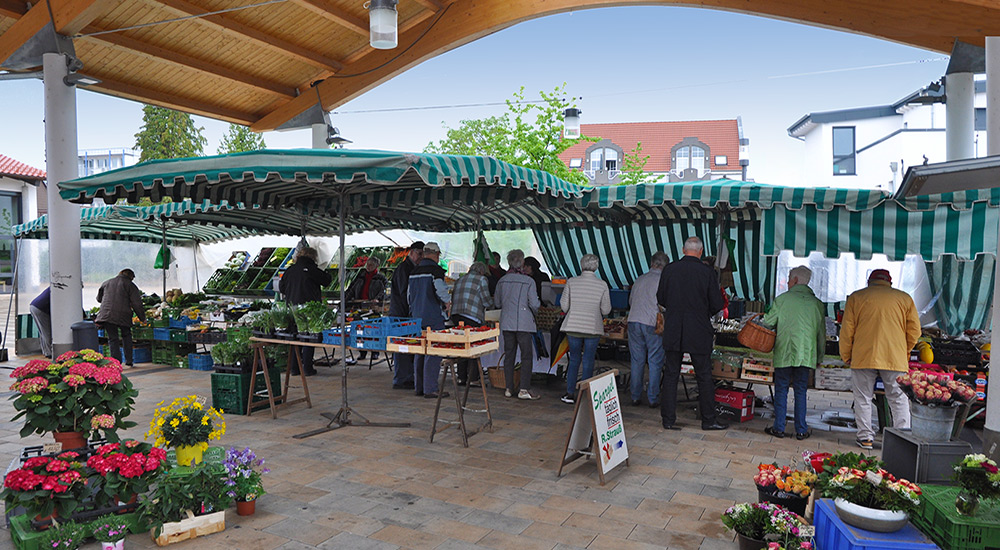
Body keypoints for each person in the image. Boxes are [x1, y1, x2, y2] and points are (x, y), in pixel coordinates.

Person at [840, 269, 920, 450]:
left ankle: (866, 438)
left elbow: (847, 331)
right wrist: (904, 351)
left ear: (869, 281)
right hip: (894, 357)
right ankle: (902, 438)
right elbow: (915, 331)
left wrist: (846, 355)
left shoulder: (856, 297)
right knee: (898, 398)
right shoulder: (904, 299)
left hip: (863, 355)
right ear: (889, 283)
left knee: (863, 397)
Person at [657, 237, 727, 431]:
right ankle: (708, 419)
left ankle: (668, 419)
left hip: (673, 328)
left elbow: (660, 297)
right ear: (701, 251)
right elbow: (716, 304)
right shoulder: (707, 272)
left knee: (671, 374)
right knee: (704, 375)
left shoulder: (669, 270)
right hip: (698, 329)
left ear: (683, 249)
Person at [761, 266, 825, 440]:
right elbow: (821, 335)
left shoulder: (782, 300)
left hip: (784, 352)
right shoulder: (817, 304)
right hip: (806, 354)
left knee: (781, 389)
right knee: (800, 391)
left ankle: (779, 428)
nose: (788, 282)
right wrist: (819, 357)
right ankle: (801, 430)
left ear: (795, 280)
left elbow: (768, 322)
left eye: (789, 279)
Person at [559, 254, 611, 404]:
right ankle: (585, 395)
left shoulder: (572, 282)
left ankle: (570, 393)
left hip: (573, 326)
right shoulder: (602, 285)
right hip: (592, 327)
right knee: (588, 360)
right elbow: (606, 310)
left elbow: (564, 306)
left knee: (574, 359)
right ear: (597, 266)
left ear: (581, 265)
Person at [494, 250, 541, 400]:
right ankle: (524, 389)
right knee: (526, 356)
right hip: (524, 323)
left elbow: (497, 303)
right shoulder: (529, 281)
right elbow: (534, 304)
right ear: (522, 263)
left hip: (507, 322)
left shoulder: (502, 281)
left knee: (509, 355)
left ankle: (508, 388)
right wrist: (535, 310)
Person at [279, 246, 332, 376]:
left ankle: (294, 368)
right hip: (309, 309)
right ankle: (307, 368)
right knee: (308, 337)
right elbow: (326, 281)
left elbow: (281, 288)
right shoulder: (312, 270)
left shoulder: (290, 270)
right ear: (312, 257)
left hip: (292, 308)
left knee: (295, 338)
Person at [407, 242, 450, 399]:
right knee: (433, 351)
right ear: (436, 254)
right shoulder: (435, 271)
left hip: (417, 316)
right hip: (432, 316)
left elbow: (409, 296)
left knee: (420, 350)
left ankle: (419, 387)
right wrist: (447, 302)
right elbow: (441, 291)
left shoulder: (414, 271)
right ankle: (430, 388)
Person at [627, 252, 668, 407]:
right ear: (665, 266)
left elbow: (631, 301)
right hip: (652, 323)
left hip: (633, 320)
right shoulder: (662, 281)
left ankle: (635, 396)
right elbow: (663, 305)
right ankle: (652, 398)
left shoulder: (639, 279)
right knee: (655, 361)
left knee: (637, 360)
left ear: (652, 263)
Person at [450, 262, 493, 385]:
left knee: (462, 346)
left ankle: (461, 377)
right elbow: (486, 301)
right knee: (473, 346)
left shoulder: (460, 279)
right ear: (481, 271)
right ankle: (473, 378)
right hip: (472, 315)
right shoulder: (482, 279)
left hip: (456, 315)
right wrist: (493, 305)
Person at [388, 242, 423, 389]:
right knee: (401, 347)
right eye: (419, 254)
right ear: (412, 253)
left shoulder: (412, 268)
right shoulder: (404, 268)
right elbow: (404, 292)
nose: (421, 257)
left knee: (407, 346)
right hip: (400, 313)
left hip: (404, 313)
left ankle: (407, 377)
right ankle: (401, 379)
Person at [95, 269, 146, 367]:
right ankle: (129, 361)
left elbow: (99, 299)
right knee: (126, 336)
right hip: (123, 315)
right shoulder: (130, 285)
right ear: (131, 277)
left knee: (113, 338)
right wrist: (142, 317)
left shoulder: (107, 282)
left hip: (107, 315)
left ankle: (116, 363)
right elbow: (137, 304)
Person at [345, 256, 389, 361]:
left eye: (371, 265)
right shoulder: (360, 276)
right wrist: (345, 300)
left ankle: (375, 352)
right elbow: (351, 288)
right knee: (360, 330)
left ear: (376, 266)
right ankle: (362, 351)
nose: (368, 267)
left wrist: (377, 299)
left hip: (373, 308)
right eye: (367, 264)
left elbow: (385, 291)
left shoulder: (381, 278)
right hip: (360, 306)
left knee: (373, 330)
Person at [29, 287, 52, 358]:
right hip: (41, 309)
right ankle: (49, 353)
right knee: (47, 332)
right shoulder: (63, 289)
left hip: (34, 306)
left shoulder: (55, 285)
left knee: (43, 332)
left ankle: (46, 352)